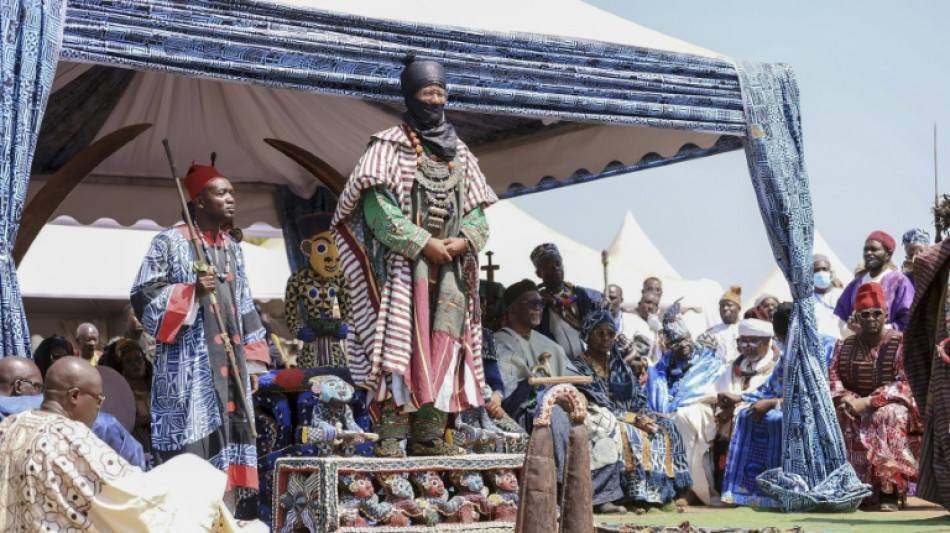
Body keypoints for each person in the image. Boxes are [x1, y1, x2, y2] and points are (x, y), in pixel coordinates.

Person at [331, 55, 496, 457]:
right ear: (411, 97)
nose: (435, 101)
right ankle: (391, 435)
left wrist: (462, 241)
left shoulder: (462, 153)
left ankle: (428, 435)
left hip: (452, 274)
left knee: (445, 347)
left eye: (440, 94)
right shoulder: (388, 145)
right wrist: (424, 243)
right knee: (400, 346)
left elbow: (478, 212)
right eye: (427, 94)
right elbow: (376, 208)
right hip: (405, 271)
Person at [131, 161, 270, 505]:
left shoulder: (232, 246)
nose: (230, 199)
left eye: (232, 192)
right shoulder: (168, 241)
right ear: (199, 200)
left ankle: (227, 518)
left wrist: (252, 360)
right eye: (221, 192)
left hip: (231, 364)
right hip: (188, 366)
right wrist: (191, 292)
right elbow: (142, 294)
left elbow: (244, 301)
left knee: (231, 439)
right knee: (192, 448)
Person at [0, 358, 262, 531]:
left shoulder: (10, 427)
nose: (99, 408)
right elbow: (132, 499)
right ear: (75, 396)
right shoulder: (72, 437)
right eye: (98, 399)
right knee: (195, 474)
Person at [568, 310, 691, 513]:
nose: (606, 339)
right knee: (627, 432)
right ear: (586, 335)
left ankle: (660, 496)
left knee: (666, 426)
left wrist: (645, 416)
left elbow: (638, 398)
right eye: (599, 334)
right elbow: (596, 400)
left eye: (610, 333)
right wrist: (634, 419)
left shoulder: (618, 365)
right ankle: (632, 498)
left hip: (631, 417)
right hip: (599, 417)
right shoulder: (578, 365)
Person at [830, 282, 920, 511]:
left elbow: (906, 383)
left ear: (886, 314)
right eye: (865, 314)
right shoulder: (843, 345)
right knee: (840, 415)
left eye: (876, 313)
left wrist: (869, 402)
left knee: (886, 415)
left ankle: (888, 490)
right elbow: (833, 379)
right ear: (856, 317)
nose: (871, 319)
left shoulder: (901, 342)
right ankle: (858, 490)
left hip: (895, 405)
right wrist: (847, 399)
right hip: (855, 403)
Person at [645, 299, 724, 505]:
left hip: (703, 412)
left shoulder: (709, 363)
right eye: (677, 342)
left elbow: (716, 394)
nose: (685, 345)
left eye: (686, 338)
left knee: (684, 417)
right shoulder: (658, 369)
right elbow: (648, 398)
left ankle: (690, 489)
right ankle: (659, 489)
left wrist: (679, 410)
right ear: (668, 346)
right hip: (667, 415)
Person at [719, 304, 792, 508]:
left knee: (773, 420)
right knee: (747, 415)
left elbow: (813, 396)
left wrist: (774, 403)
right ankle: (747, 494)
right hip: (784, 405)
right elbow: (770, 389)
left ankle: (779, 493)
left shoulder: (812, 352)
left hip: (809, 412)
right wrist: (740, 398)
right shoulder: (788, 353)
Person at [712, 319, 781, 497]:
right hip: (730, 411)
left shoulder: (778, 363)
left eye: (753, 341)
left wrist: (735, 408)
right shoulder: (736, 365)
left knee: (748, 417)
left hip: (767, 410)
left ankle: (747, 492)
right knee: (691, 416)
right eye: (743, 341)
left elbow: (768, 395)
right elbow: (718, 391)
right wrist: (724, 406)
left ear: (768, 342)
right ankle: (701, 490)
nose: (747, 347)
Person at [493, 279, 571, 430]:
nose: (537, 308)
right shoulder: (498, 342)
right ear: (511, 308)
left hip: (556, 405)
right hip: (523, 412)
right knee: (554, 417)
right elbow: (510, 393)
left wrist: (577, 394)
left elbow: (572, 376)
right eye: (531, 303)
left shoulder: (552, 345)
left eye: (540, 303)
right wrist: (549, 396)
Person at [531, 243, 603, 359]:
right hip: (556, 365)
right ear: (539, 273)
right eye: (548, 266)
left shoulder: (581, 295)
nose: (555, 268)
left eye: (558, 263)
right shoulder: (538, 303)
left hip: (585, 363)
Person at [834, 230, 914, 331]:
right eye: (866, 250)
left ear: (888, 254)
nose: (868, 253)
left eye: (874, 250)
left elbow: (909, 321)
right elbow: (842, 320)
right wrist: (851, 329)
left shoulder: (900, 282)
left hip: (891, 344)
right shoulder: (855, 284)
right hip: (857, 344)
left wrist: (875, 332)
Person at [106, 338, 153, 456]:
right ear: (121, 367)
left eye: (138, 358)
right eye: (129, 361)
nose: (136, 364)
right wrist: (150, 418)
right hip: (135, 444)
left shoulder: (154, 384)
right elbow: (122, 423)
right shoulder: (119, 391)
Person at [697, 285, 743, 364]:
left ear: (738, 308)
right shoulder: (711, 332)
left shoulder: (745, 329)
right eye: (722, 306)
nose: (725, 308)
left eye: (729, 305)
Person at [813, 254, 847, 339]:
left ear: (830, 272)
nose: (820, 273)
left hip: (842, 346)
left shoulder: (843, 295)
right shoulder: (807, 301)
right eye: (816, 270)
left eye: (824, 269)